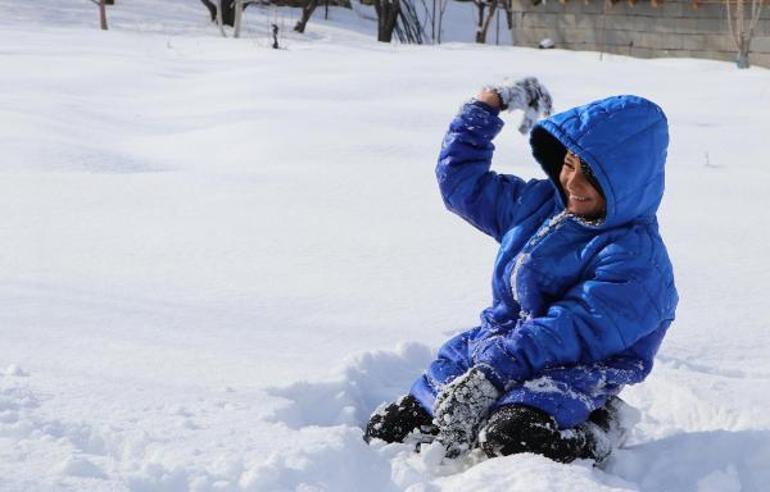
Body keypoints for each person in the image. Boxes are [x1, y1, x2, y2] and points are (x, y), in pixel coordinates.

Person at [363, 78, 679, 464]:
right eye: (568, 164)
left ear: (627, 181)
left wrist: (491, 374)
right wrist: (483, 109)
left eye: (592, 174)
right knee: (388, 432)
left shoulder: (636, 258)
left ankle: (600, 426)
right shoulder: (538, 204)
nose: (573, 182)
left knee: (509, 435)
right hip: (497, 347)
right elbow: (462, 185)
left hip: (572, 368)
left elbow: (572, 328)